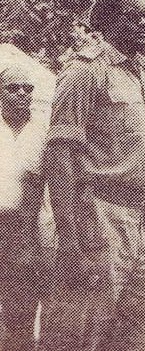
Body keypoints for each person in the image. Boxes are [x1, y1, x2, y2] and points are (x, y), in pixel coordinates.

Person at [40, 0, 145, 351]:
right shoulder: (85, 72)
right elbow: (60, 156)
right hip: (102, 218)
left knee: (134, 335)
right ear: (107, 22)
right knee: (84, 330)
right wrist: (69, 239)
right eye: (135, 18)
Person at [0, 66, 48, 350]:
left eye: (27, 88)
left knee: (20, 310)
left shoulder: (42, 131)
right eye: (13, 87)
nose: (21, 93)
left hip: (25, 229)